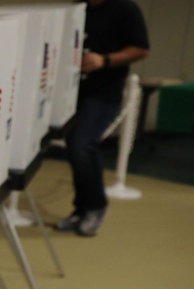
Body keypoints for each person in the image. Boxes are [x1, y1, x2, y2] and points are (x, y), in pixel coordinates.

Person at [55, 0, 149, 237]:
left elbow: (141, 48)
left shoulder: (125, 8)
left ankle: (96, 206)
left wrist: (104, 60)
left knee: (83, 144)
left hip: (104, 91)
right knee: (75, 146)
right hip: (74, 90)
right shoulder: (78, 8)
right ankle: (82, 207)